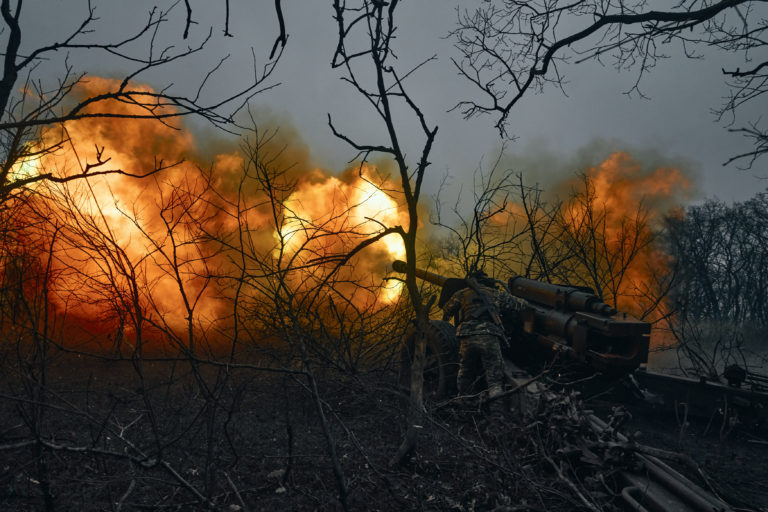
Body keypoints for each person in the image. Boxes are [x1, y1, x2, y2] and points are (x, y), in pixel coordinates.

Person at [441, 270, 529, 409]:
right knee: (494, 380)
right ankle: (497, 412)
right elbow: (521, 305)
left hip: (467, 337)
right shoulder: (495, 294)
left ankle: (464, 406)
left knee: (465, 372)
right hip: (489, 337)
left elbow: (447, 309)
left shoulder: (463, 293)